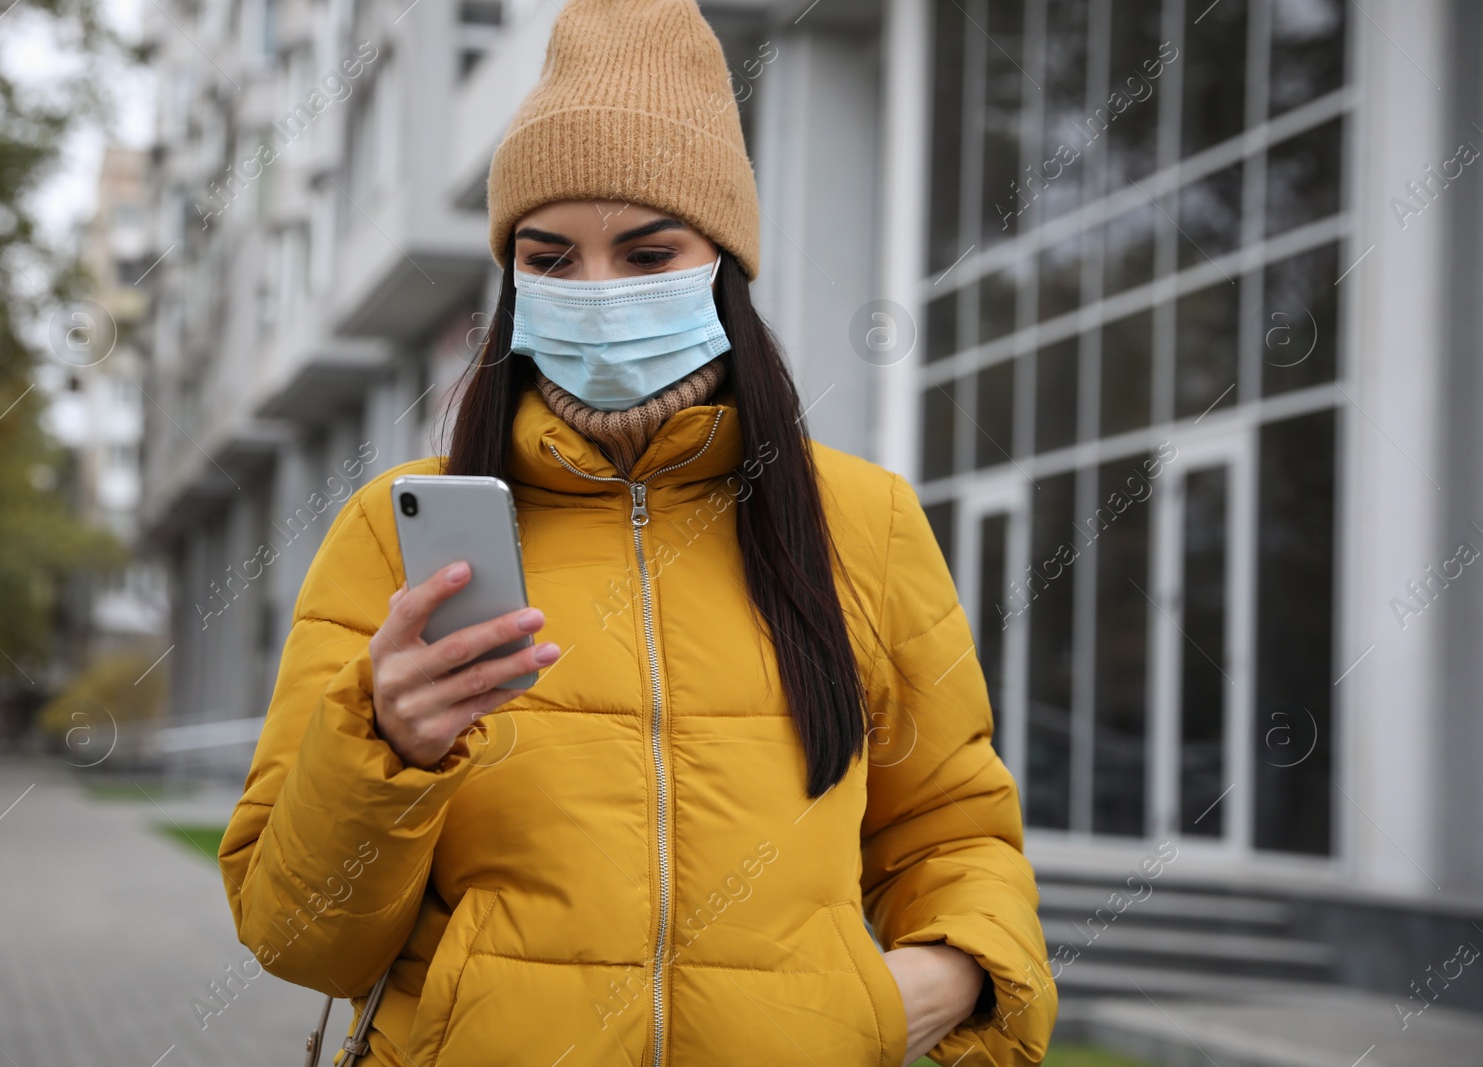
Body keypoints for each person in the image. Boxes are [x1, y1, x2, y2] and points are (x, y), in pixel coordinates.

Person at [218, 1, 1056, 1063]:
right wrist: (383, 749)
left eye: (647, 249)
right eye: (551, 257)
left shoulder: (864, 521)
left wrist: (946, 974)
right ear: (511, 277)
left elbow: (950, 825)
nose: (596, 290)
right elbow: (298, 934)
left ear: (724, 264)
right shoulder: (395, 530)